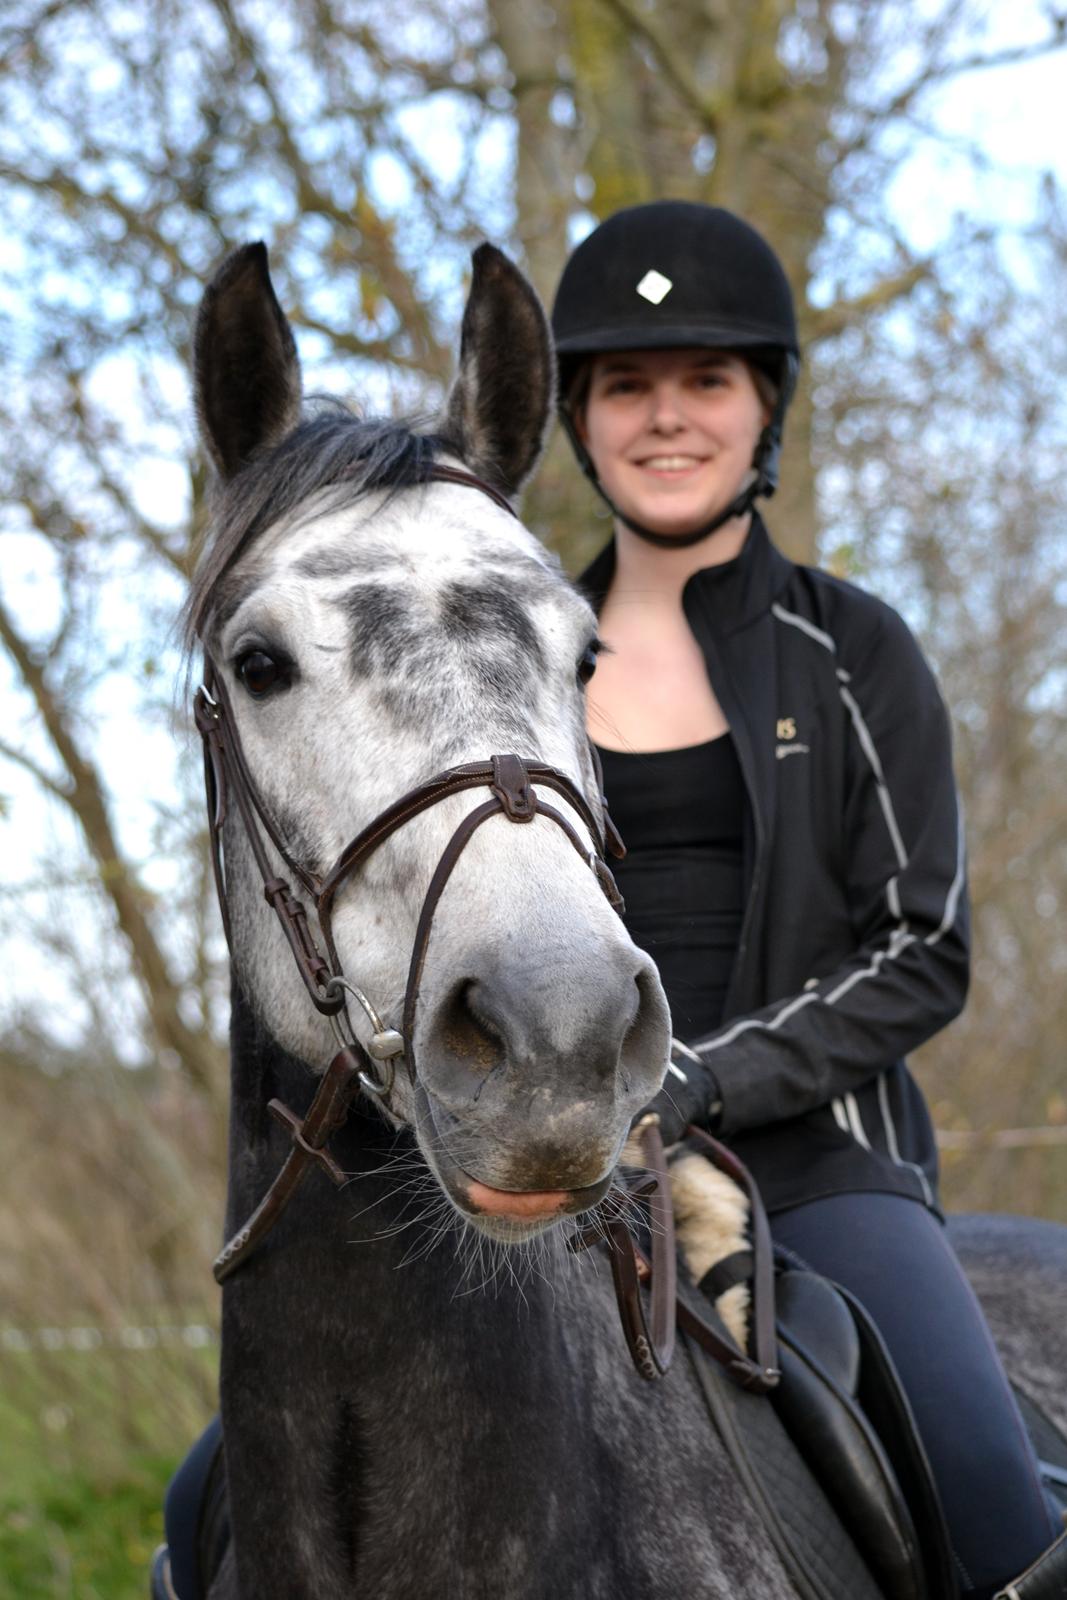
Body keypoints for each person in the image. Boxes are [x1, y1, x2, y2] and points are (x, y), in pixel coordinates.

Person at [551, 199, 1063, 1600]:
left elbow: (922, 949)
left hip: (816, 1172)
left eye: (706, 379)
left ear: (761, 405)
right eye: (628, 386)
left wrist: (699, 1081)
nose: (668, 418)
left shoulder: (854, 651)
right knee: (221, 1490)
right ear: (582, 418)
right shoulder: (519, 662)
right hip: (548, 1174)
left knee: (995, 1507)